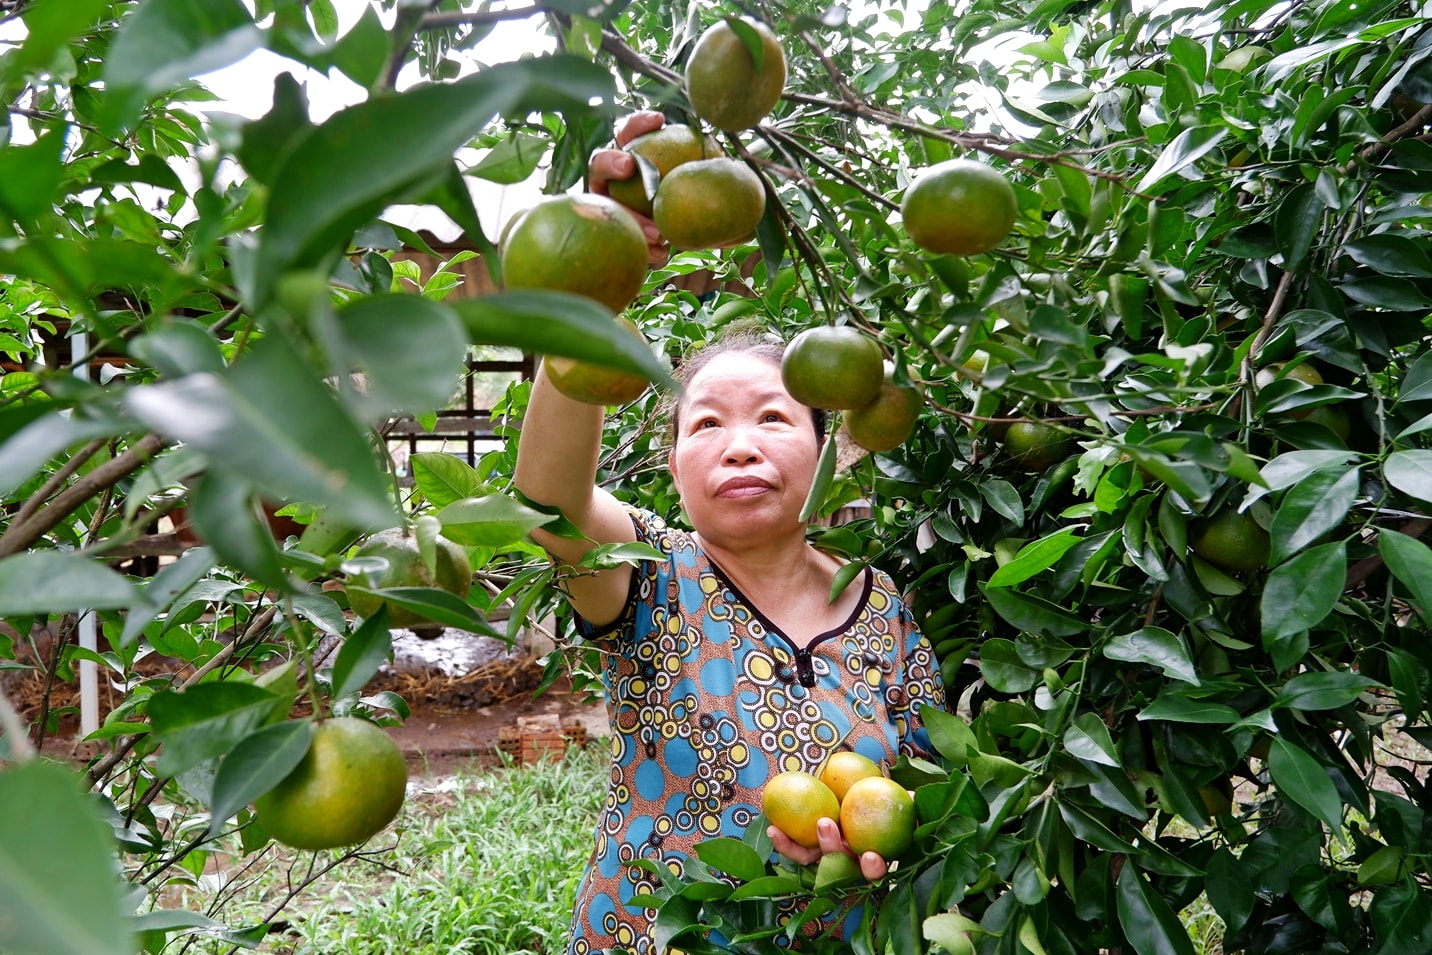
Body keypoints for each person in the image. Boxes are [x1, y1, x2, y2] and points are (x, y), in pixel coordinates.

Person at [512, 113, 947, 955]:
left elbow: (926, 779)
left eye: (775, 417)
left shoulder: (881, 606)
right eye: (706, 423)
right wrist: (590, 290)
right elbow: (549, 500)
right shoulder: (651, 573)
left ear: (825, 452)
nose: (740, 442)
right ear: (674, 468)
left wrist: (875, 842)